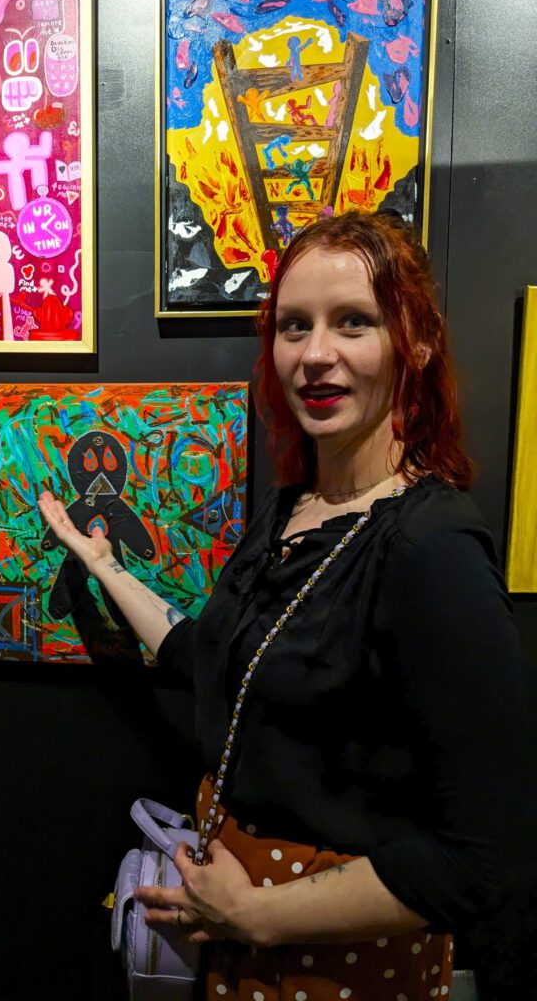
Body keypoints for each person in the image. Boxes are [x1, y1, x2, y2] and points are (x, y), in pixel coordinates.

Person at [38, 211, 531, 1000]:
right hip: (235, 943)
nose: (315, 356)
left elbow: (488, 857)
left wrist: (263, 915)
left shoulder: (430, 550)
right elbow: (209, 657)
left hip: (338, 966)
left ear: (418, 342)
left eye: (354, 323)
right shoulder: (293, 510)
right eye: (294, 327)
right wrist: (105, 568)